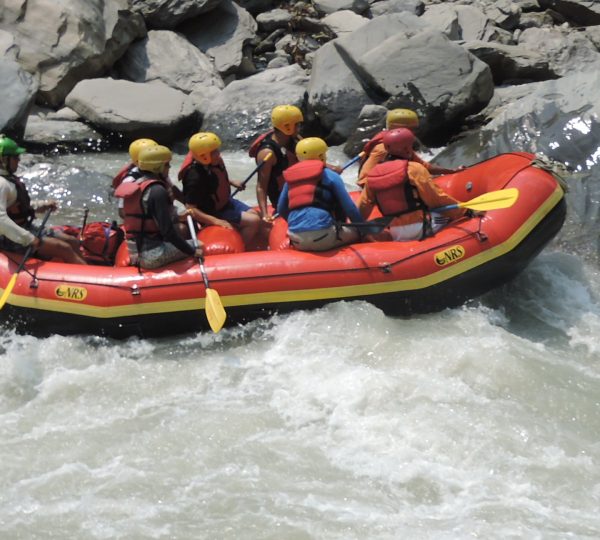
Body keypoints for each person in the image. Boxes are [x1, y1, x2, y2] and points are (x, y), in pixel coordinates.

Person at [358, 128, 465, 241]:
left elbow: (363, 206)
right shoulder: (414, 169)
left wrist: (358, 230)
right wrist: (464, 210)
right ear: (408, 149)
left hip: (396, 232)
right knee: (447, 216)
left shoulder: (372, 176)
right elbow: (436, 199)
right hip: (421, 227)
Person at [0, 135, 87, 264]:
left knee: (72, 241)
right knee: (64, 248)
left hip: (25, 227)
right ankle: (92, 279)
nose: (19, 160)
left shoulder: (9, 180)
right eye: (15, 157)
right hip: (9, 237)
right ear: (3, 160)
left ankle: (91, 269)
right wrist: (28, 238)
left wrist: (42, 205)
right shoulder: (1, 184)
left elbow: (18, 206)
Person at [114, 144, 203, 269]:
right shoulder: (157, 190)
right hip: (153, 254)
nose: (170, 167)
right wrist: (192, 251)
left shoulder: (139, 183)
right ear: (158, 167)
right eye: (167, 164)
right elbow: (168, 233)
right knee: (199, 244)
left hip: (137, 252)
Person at [277, 137, 363, 252]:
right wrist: (364, 230)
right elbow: (350, 209)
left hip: (296, 239)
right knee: (357, 232)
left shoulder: (290, 180)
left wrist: (301, 224)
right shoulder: (331, 175)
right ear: (321, 156)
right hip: (323, 237)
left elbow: (281, 209)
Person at [179, 132, 261, 246]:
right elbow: (191, 209)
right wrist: (216, 221)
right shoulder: (194, 177)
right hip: (213, 212)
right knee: (254, 221)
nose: (219, 154)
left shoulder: (212, 162)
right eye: (214, 152)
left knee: (255, 214)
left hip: (225, 203)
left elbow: (215, 178)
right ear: (203, 156)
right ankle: (240, 248)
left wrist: (231, 182)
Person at [357, 108, 459, 187]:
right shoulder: (383, 149)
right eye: (412, 129)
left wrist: (451, 171)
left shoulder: (402, 145)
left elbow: (425, 167)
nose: (415, 133)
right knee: (415, 172)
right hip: (376, 190)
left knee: (418, 171)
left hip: (393, 182)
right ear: (399, 129)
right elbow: (363, 181)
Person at [249, 104, 303, 222]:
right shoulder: (267, 153)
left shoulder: (295, 139)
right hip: (284, 202)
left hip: (301, 192)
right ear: (287, 127)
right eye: (297, 125)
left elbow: (311, 162)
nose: (299, 128)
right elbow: (261, 186)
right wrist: (264, 214)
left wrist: (330, 167)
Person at [112, 138, 183, 217]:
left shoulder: (159, 171)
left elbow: (174, 190)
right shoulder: (130, 180)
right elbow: (122, 211)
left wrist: (188, 204)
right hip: (145, 223)